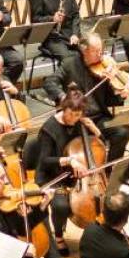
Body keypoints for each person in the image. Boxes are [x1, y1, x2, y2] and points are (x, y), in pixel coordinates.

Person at [34, 89, 104, 245]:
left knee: (104, 199)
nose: (73, 118)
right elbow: (44, 160)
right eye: (70, 114)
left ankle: (98, 232)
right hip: (52, 176)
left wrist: (95, 130)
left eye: (77, 115)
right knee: (61, 205)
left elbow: (99, 148)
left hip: (78, 176)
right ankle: (58, 236)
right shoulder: (49, 128)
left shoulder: (81, 123)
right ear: (63, 108)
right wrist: (69, 160)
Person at [51, 32, 129, 161]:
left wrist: (120, 93)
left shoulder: (103, 68)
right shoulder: (69, 64)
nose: (100, 55)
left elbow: (109, 99)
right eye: (95, 51)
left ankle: (109, 171)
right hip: (75, 119)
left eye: (101, 50)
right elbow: (50, 82)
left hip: (98, 118)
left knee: (121, 133)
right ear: (84, 50)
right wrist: (64, 99)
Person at [31, 0, 81, 97]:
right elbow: (35, 20)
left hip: (69, 35)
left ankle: (83, 86)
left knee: (87, 51)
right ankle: (68, 92)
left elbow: (76, 15)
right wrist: (51, 19)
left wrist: (75, 34)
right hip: (52, 38)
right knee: (68, 58)